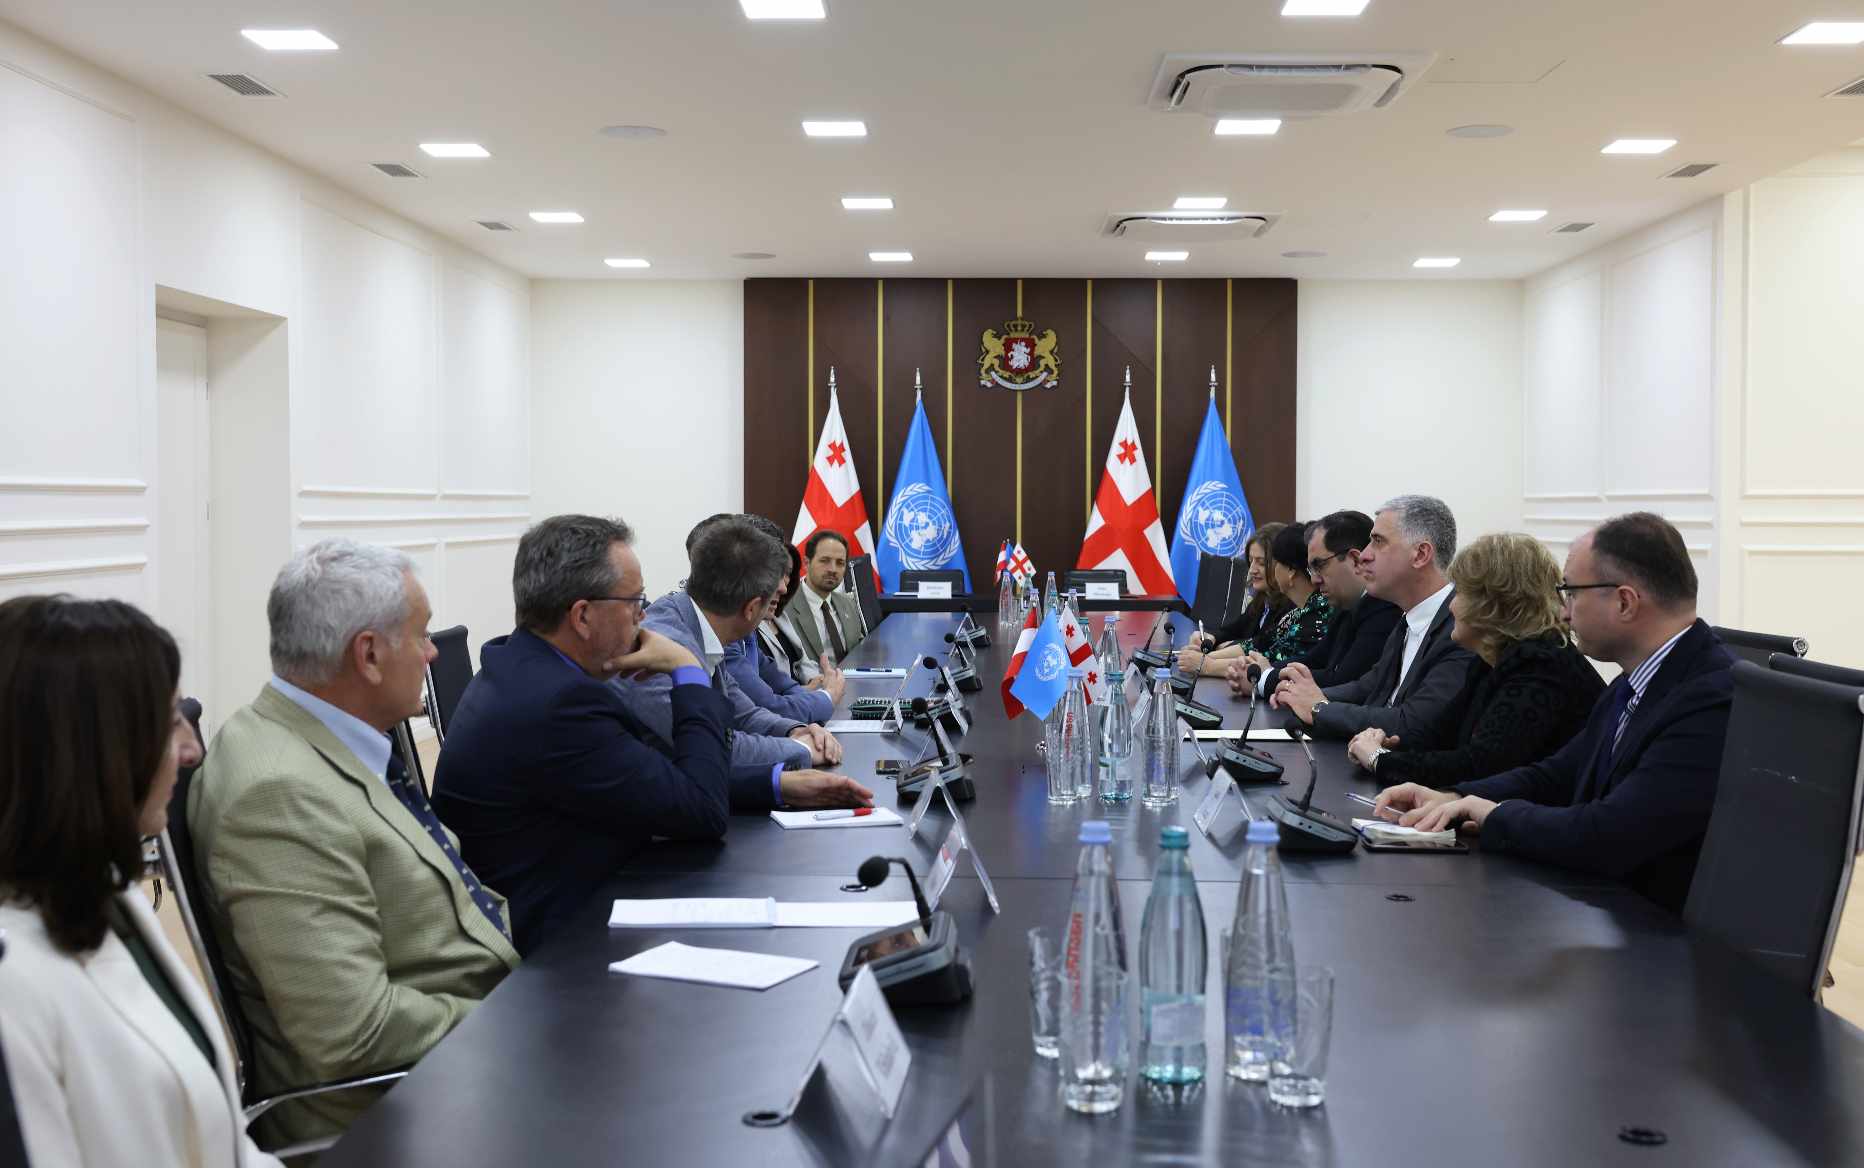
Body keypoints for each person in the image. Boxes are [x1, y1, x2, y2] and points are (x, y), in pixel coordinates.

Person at [190, 540, 520, 1146]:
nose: (432, 653)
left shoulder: (335, 737)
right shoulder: (279, 792)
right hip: (401, 1114)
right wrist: (520, 1021)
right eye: (421, 636)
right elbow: (353, 1032)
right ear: (368, 655)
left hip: (458, 1060)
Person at [0, 597, 283, 1168]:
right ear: (95, 752)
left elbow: (225, 1146)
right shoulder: (13, 989)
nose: (192, 748)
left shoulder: (106, 893)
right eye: (170, 721)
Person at [1376, 513, 1735, 911]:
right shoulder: (1636, 681)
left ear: (1624, 602)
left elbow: (1611, 834)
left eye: (1572, 593)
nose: (1563, 613)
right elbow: (1559, 773)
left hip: (1650, 927)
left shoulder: (1708, 698)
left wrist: (1494, 815)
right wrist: (1454, 797)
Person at [1346, 532, 1604, 787]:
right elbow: (1439, 734)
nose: (1451, 606)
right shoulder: (1492, 660)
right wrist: (1390, 745)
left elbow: (1478, 766)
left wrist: (1379, 759)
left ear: (1492, 603)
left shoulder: (1540, 664)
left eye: (1460, 593)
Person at [627, 517, 848, 774]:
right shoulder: (664, 645)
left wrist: (796, 730)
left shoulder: (705, 625)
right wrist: (805, 749)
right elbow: (714, 747)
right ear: (751, 608)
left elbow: (744, 714)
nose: (783, 588)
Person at [1271, 495, 1480, 749]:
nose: (1364, 555)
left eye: (1378, 541)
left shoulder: (1462, 629)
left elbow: (1413, 722)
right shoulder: (1407, 618)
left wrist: (1318, 708)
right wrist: (1301, 696)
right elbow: (1368, 686)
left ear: (1420, 554)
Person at [1229, 510, 1399, 700]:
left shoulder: (1384, 609)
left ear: (1355, 560)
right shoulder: (1347, 604)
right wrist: (1257, 671)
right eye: (1311, 569)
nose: (1315, 580)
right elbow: (1316, 659)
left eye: (1320, 565)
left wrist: (1263, 679)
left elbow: (1342, 680)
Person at [727, 514, 843, 721]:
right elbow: (766, 706)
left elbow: (782, 686)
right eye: (774, 572)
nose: (783, 587)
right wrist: (826, 697)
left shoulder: (746, 628)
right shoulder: (723, 630)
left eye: (785, 573)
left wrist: (813, 702)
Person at [1182, 522, 1288, 677]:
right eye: (1251, 560)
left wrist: (1206, 661)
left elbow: (1262, 646)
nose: (1252, 570)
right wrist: (1210, 639)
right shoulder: (1262, 599)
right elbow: (1234, 629)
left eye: (1261, 563)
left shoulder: (1289, 607)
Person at [791, 529, 868, 663]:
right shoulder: (786, 608)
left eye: (840, 563)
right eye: (825, 561)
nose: (833, 569)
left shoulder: (848, 603)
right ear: (806, 563)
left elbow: (859, 649)